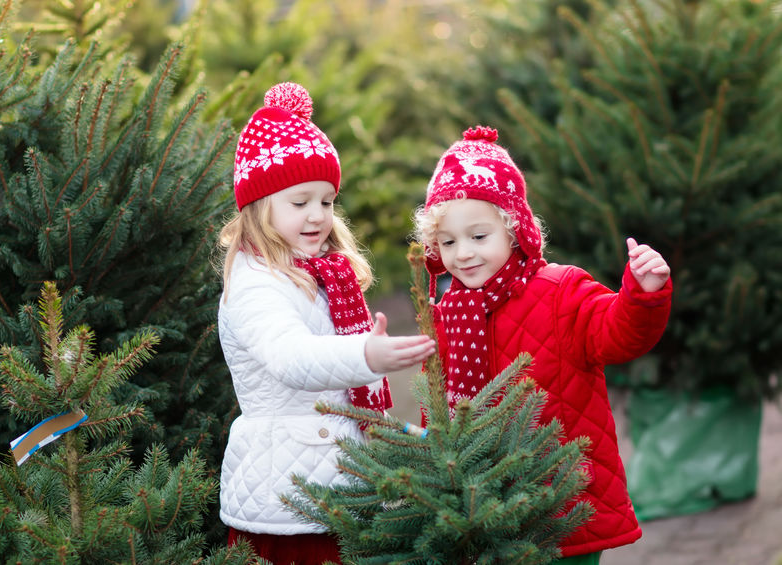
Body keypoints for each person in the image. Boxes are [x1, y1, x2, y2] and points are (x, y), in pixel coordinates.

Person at [412, 126, 672, 565]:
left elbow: (617, 333)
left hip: (561, 504)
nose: (463, 254)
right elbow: (436, 407)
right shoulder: (444, 313)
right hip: (478, 510)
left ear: (514, 231)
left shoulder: (559, 290)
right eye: (449, 241)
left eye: (479, 237)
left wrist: (642, 295)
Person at [216, 82, 435, 565]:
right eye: (300, 202)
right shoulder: (256, 282)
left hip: (334, 483)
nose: (318, 215)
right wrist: (365, 357)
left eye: (327, 200)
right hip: (288, 501)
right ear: (259, 204)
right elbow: (290, 358)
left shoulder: (320, 272)